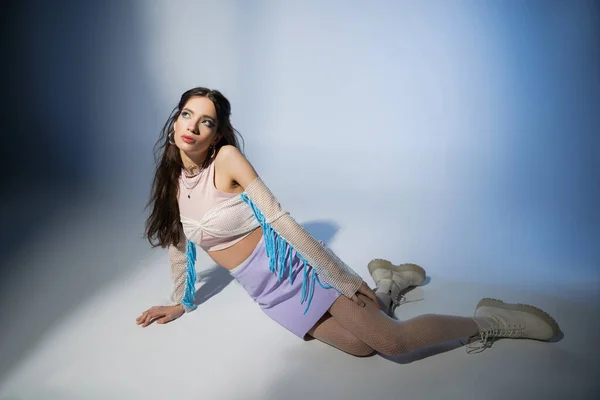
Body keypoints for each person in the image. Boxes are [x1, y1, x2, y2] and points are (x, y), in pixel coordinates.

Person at [136, 87, 560, 357]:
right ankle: (389, 286)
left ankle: (490, 319)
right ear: (175, 120)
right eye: (187, 114)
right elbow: (180, 248)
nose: (193, 126)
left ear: (217, 132)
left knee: (394, 343)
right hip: (269, 294)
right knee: (361, 347)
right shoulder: (171, 183)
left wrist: (342, 278)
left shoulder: (226, 161)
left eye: (205, 120)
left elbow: (283, 222)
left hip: (301, 272)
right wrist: (182, 302)